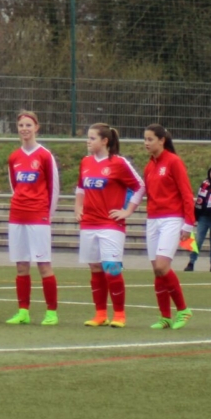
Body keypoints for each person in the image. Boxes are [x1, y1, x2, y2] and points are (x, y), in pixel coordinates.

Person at [76, 123, 145, 328]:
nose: (88, 141)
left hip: (110, 224)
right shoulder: (86, 162)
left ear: (104, 141)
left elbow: (140, 186)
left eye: (92, 138)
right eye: (88, 137)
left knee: (111, 268)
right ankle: (100, 314)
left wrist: (127, 211)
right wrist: (78, 207)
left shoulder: (119, 162)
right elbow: (80, 187)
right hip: (89, 223)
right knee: (95, 267)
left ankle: (119, 314)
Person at [5, 111, 60, 326]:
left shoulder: (45, 155)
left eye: (28, 125)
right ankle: (23, 311)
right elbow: (14, 186)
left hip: (38, 215)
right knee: (21, 265)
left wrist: (48, 214)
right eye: (21, 125)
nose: (24, 129)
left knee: (43, 264)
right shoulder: (14, 157)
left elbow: (53, 187)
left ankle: (51, 312)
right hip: (17, 215)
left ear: (36, 127)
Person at [141, 124, 195, 330]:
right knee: (157, 270)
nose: (146, 143)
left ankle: (183, 310)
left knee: (162, 266)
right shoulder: (149, 166)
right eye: (145, 139)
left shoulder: (173, 162)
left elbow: (186, 193)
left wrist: (188, 223)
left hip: (172, 219)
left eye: (150, 139)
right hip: (153, 220)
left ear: (162, 140)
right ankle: (165, 317)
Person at [185, 166, 211, 272]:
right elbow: (199, 200)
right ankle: (191, 263)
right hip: (204, 217)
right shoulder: (204, 184)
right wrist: (196, 215)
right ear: (209, 173)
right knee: (198, 241)